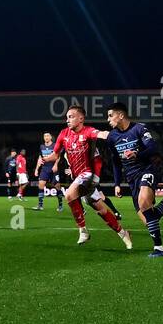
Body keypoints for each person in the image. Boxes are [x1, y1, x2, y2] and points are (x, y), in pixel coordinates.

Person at [46, 106, 132, 250]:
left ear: (81, 118)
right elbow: (55, 155)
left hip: (89, 174)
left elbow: (102, 134)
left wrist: (116, 135)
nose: (68, 120)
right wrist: (47, 158)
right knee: (101, 210)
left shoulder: (88, 132)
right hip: (78, 177)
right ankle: (123, 234)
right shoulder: (63, 134)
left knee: (69, 194)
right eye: (67, 117)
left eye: (71, 116)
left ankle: (83, 231)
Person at [104, 102, 163, 258]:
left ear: (121, 115)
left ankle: (159, 248)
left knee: (144, 203)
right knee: (150, 218)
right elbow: (116, 162)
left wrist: (136, 153)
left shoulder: (139, 129)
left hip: (147, 172)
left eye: (111, 115)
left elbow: (153, 148)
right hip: (131, 179)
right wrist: (117, 184)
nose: (108, 119)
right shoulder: (112, 137)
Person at [34, 132, 64, 211]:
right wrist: (37, 169)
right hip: (45, 168)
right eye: (44, 136)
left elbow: (58, 156)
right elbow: (40, 158)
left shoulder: (54, 145)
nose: (46, 137)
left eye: (47, 136)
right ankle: (40, 205)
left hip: (53, 168)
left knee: (57, 186)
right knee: (40, 185)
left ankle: (60, 205)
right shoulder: (42, 146)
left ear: (51, 137)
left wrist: (56, 165)